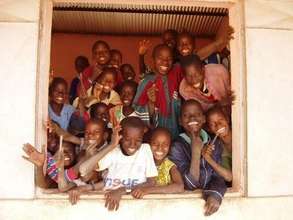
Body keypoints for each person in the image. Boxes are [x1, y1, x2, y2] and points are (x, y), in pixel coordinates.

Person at [79, 117, 158, 211]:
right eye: (127, 139)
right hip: (110, 202)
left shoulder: (145, 150)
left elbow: (151, 181)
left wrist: (123, 190)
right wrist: (112, 145)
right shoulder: (113, 151)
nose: (132, 145)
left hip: (135, 204)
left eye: (138, 140)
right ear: (120, 137)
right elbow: (83, 170)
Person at [169, 100, 227, 216]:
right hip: (183, 208)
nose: (192, 118)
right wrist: (195, 152)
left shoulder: (214, 143)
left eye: (197, 114)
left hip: (207, 208)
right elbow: (190, 184)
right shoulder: (177, 147)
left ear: (204, 119)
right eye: (186, 115)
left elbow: (218, 177)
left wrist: (215, 194)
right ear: (180, 121)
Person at [133, 44, 182, 138]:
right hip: (156, 139)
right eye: (160, 58)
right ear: (153, 60)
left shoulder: (175, 74)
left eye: (169, 58)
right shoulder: (146, 82)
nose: (165, 62)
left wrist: (218, 44)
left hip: (177, 133)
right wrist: (151, 103)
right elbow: (137, 112)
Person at [130, 128, 184, 198]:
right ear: (148, 144)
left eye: (165, 145)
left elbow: (180, 187)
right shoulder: (141, 162)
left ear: (170, 147)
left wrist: (147, 190)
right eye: (155, 144)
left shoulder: (169, 166)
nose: (159, 148)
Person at [205, 106, 232, 182]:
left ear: (227, 119)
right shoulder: (216, 148)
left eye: (221, 120)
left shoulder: (241, 135)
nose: (218, 125)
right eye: (212, 124)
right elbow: (230, 177)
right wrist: (209, 159)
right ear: (209, 129)